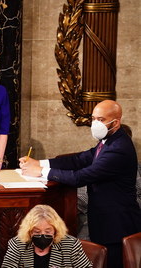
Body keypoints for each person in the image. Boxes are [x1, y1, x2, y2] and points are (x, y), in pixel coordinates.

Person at [20, 100, 141, 268]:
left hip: (117, 223)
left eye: (101, 119)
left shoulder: (118, 148)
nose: (96, 124)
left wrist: (40, 171)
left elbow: (80, 178)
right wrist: (41, 163)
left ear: (116, 122)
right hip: (105, 221)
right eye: (93, 118)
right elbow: (80, 159)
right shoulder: (108, 140)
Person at [2, 204, 92, 267]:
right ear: (29, 232)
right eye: (37, 232)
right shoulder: (17, 244)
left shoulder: (71, 245)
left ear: (56, 231)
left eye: (48, 232)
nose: (42, 235)